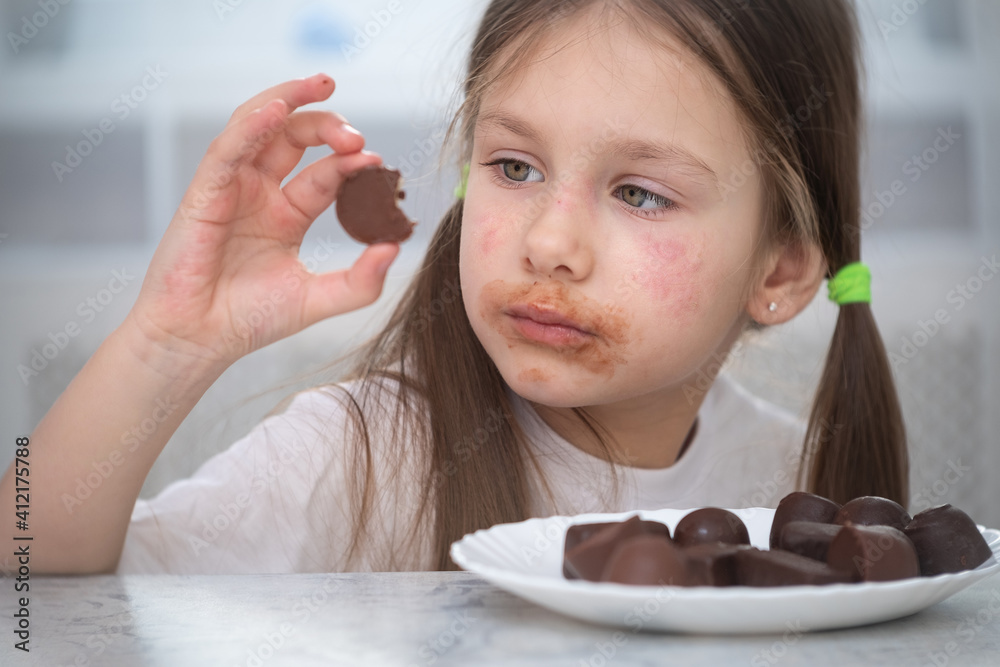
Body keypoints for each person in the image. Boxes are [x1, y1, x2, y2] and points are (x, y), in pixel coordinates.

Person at [2, 0, 907, 575]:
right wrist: (167, 343)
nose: (550, 242)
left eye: (640, 192)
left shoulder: (797, 485)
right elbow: (27, 580)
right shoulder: (357, 458)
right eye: (513, 167)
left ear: (782, 269)